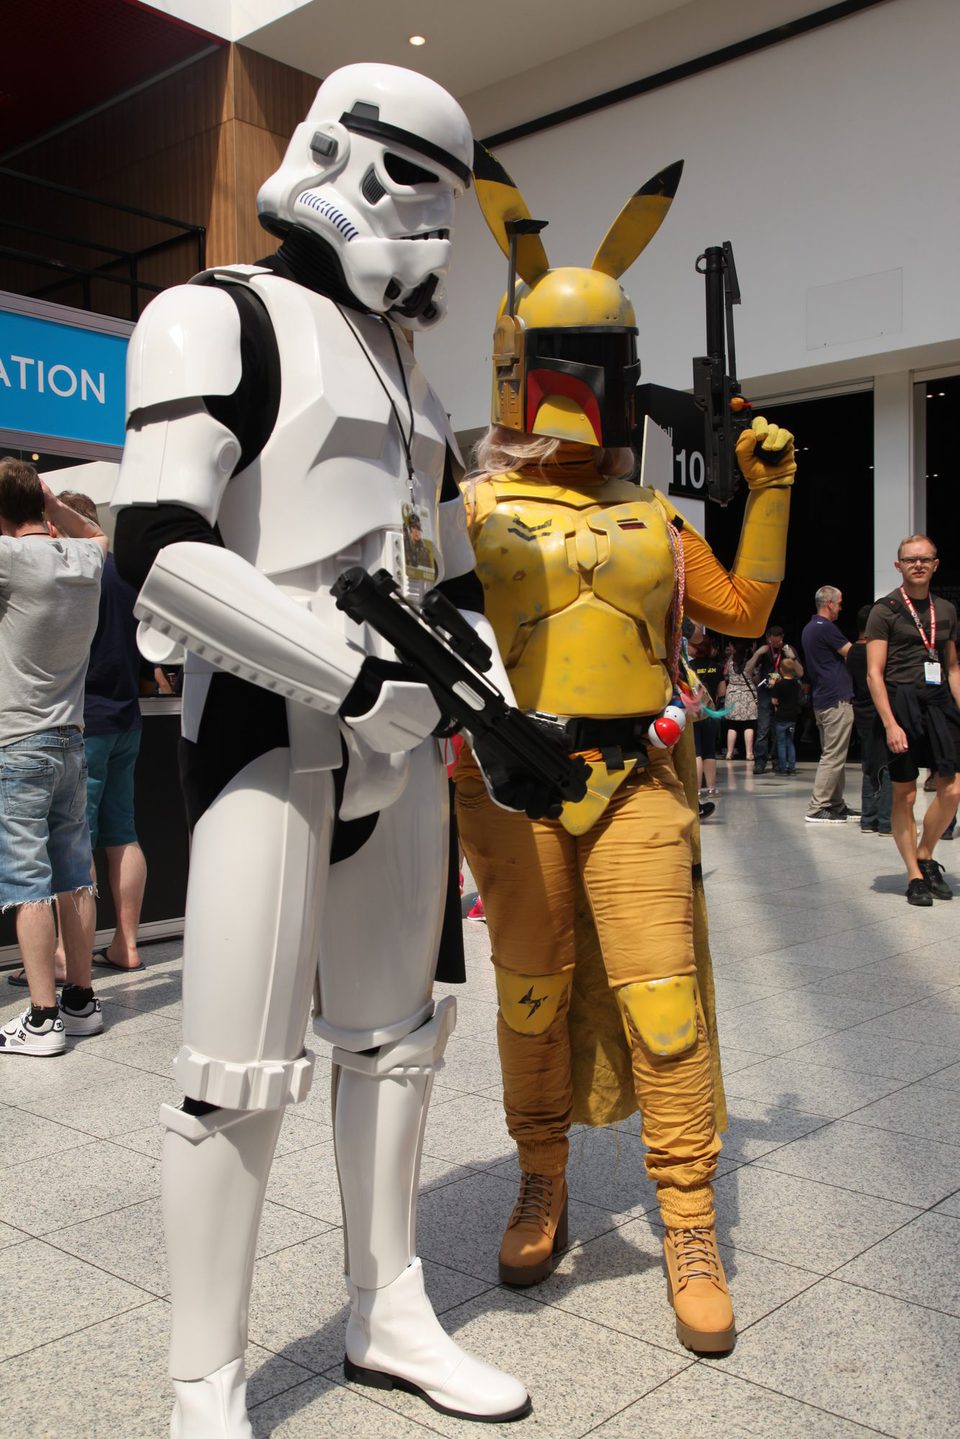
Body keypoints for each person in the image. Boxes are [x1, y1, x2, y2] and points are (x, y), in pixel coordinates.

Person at [112, 66, 533, 1435]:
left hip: (405, 747)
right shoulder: (209, 316)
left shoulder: (409, 364)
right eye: (411, 180)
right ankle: (205, 1375)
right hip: (266, 730)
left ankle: (387, 1304)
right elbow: (161, 559)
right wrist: (355, 676)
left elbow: (448, 565)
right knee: (234, 1071)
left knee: (396, 1039)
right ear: (337, 153)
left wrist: (480, 683)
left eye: (445, 200)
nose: (426, 226)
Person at [457, 146, 797, 1355]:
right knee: (532, 992)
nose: (576, 391)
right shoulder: (474, 505)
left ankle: (689, 1218)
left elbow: (747, 612)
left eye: (595, 368)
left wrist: (768, 491)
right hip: (510, 781)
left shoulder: (653, 516)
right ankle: (540, 1180)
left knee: (666, 1001)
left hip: (637, 775)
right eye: (560, 365)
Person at [0, 461, 107, 1055]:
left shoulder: (11, 559)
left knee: (27, 882)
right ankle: (81, 1001)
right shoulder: (83, 560)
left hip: (18, 741)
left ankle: (42, 1019)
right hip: (71, 737)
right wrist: (50, 504)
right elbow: (96, 534)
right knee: (74, 874)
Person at [866, 536, 960, 905]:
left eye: (924, 559)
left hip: (938, 703)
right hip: (899, 701)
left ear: (936, 564)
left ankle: (925, 852)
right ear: (898, 565)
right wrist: (890, 723)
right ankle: (914, 874)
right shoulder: (884, 610)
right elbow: (874, 674)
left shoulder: (946, 610)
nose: (917, 565)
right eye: (910, 560)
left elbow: (951, 667)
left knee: (951, 788)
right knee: (904, 795)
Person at [801, 585, 857, 823]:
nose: (841, 608)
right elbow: (852, 653)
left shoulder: (809, 628)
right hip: (836, 699)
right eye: (840, 603)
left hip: (823, 699)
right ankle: (818, 807)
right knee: (833, 756)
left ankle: (835, 803)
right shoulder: (826, 628)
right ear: (829, 604)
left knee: (835, 754)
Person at [848, 603, 892, 835]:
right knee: (887, 767)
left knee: (868, 767)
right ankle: (886, 821)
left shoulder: (852, 651)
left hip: (862, 712)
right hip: (879, 711)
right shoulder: (875, 651)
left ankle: (868, 819)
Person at [744, 624, 802, 773]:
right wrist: (757, 654)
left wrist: (792, 658)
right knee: (763, 728)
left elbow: (801, 673)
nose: (775, 644)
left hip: (783, 695)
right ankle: (760, 761)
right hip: (766, 693)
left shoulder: (788, 650)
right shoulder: (764, 651)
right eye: (772, 641)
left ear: (782, 638)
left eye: (778, 641)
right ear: (768, 638)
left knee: (779, 730)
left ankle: (777, 760)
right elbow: (747, 671)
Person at [691, 634, 723, 796]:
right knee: (709, 751)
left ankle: (696, 790)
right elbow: (722, 691)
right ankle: (712, 788)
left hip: (694, 713)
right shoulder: (716, 667)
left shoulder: (689, 667)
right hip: (711, 712)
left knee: (696, 751)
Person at [721, 641, 757, 760]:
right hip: (748, 695)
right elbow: (756, 676)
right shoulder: (750, 662)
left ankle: (729, 752)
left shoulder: (730, 661)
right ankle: (749, 753)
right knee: (748, 724)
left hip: (733, 694)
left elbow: (725, 674)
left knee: (732, 725)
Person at [769, 656, 801, 774]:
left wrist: (773, 687)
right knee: (790, 742)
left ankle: (782, 767)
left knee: (781, 743)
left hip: (781, 716)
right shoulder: (796, 684)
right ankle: (791, 767)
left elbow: (774, 701)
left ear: (781, 670)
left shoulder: (779, 684)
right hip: (792, 717)